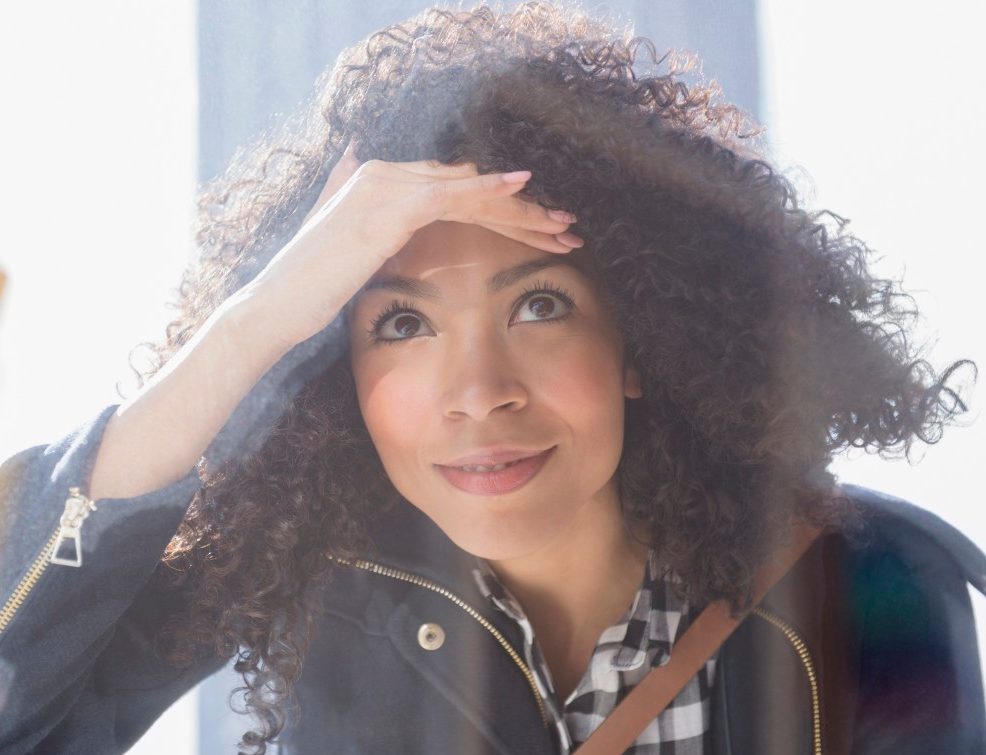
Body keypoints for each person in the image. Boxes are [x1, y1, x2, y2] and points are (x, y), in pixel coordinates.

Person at [1, 2, 983, 753]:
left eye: (537, 305)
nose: (476, 390)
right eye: (399, 323)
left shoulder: (867, 587)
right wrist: (257, 319)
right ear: (337, 372)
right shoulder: (316, 586)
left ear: (640, 339)